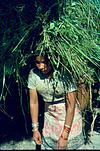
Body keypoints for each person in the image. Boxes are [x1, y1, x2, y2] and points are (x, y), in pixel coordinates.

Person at [27, 51, 85, 150]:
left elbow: (71, 105)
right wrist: (35, 129)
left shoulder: (65, 73)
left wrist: (65, 134)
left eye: (44, 62)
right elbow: (34, 103)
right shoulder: (33, 74)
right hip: (50, 118)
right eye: (37, 62)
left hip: (69, 118)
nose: (41, 66)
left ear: (53, 60)